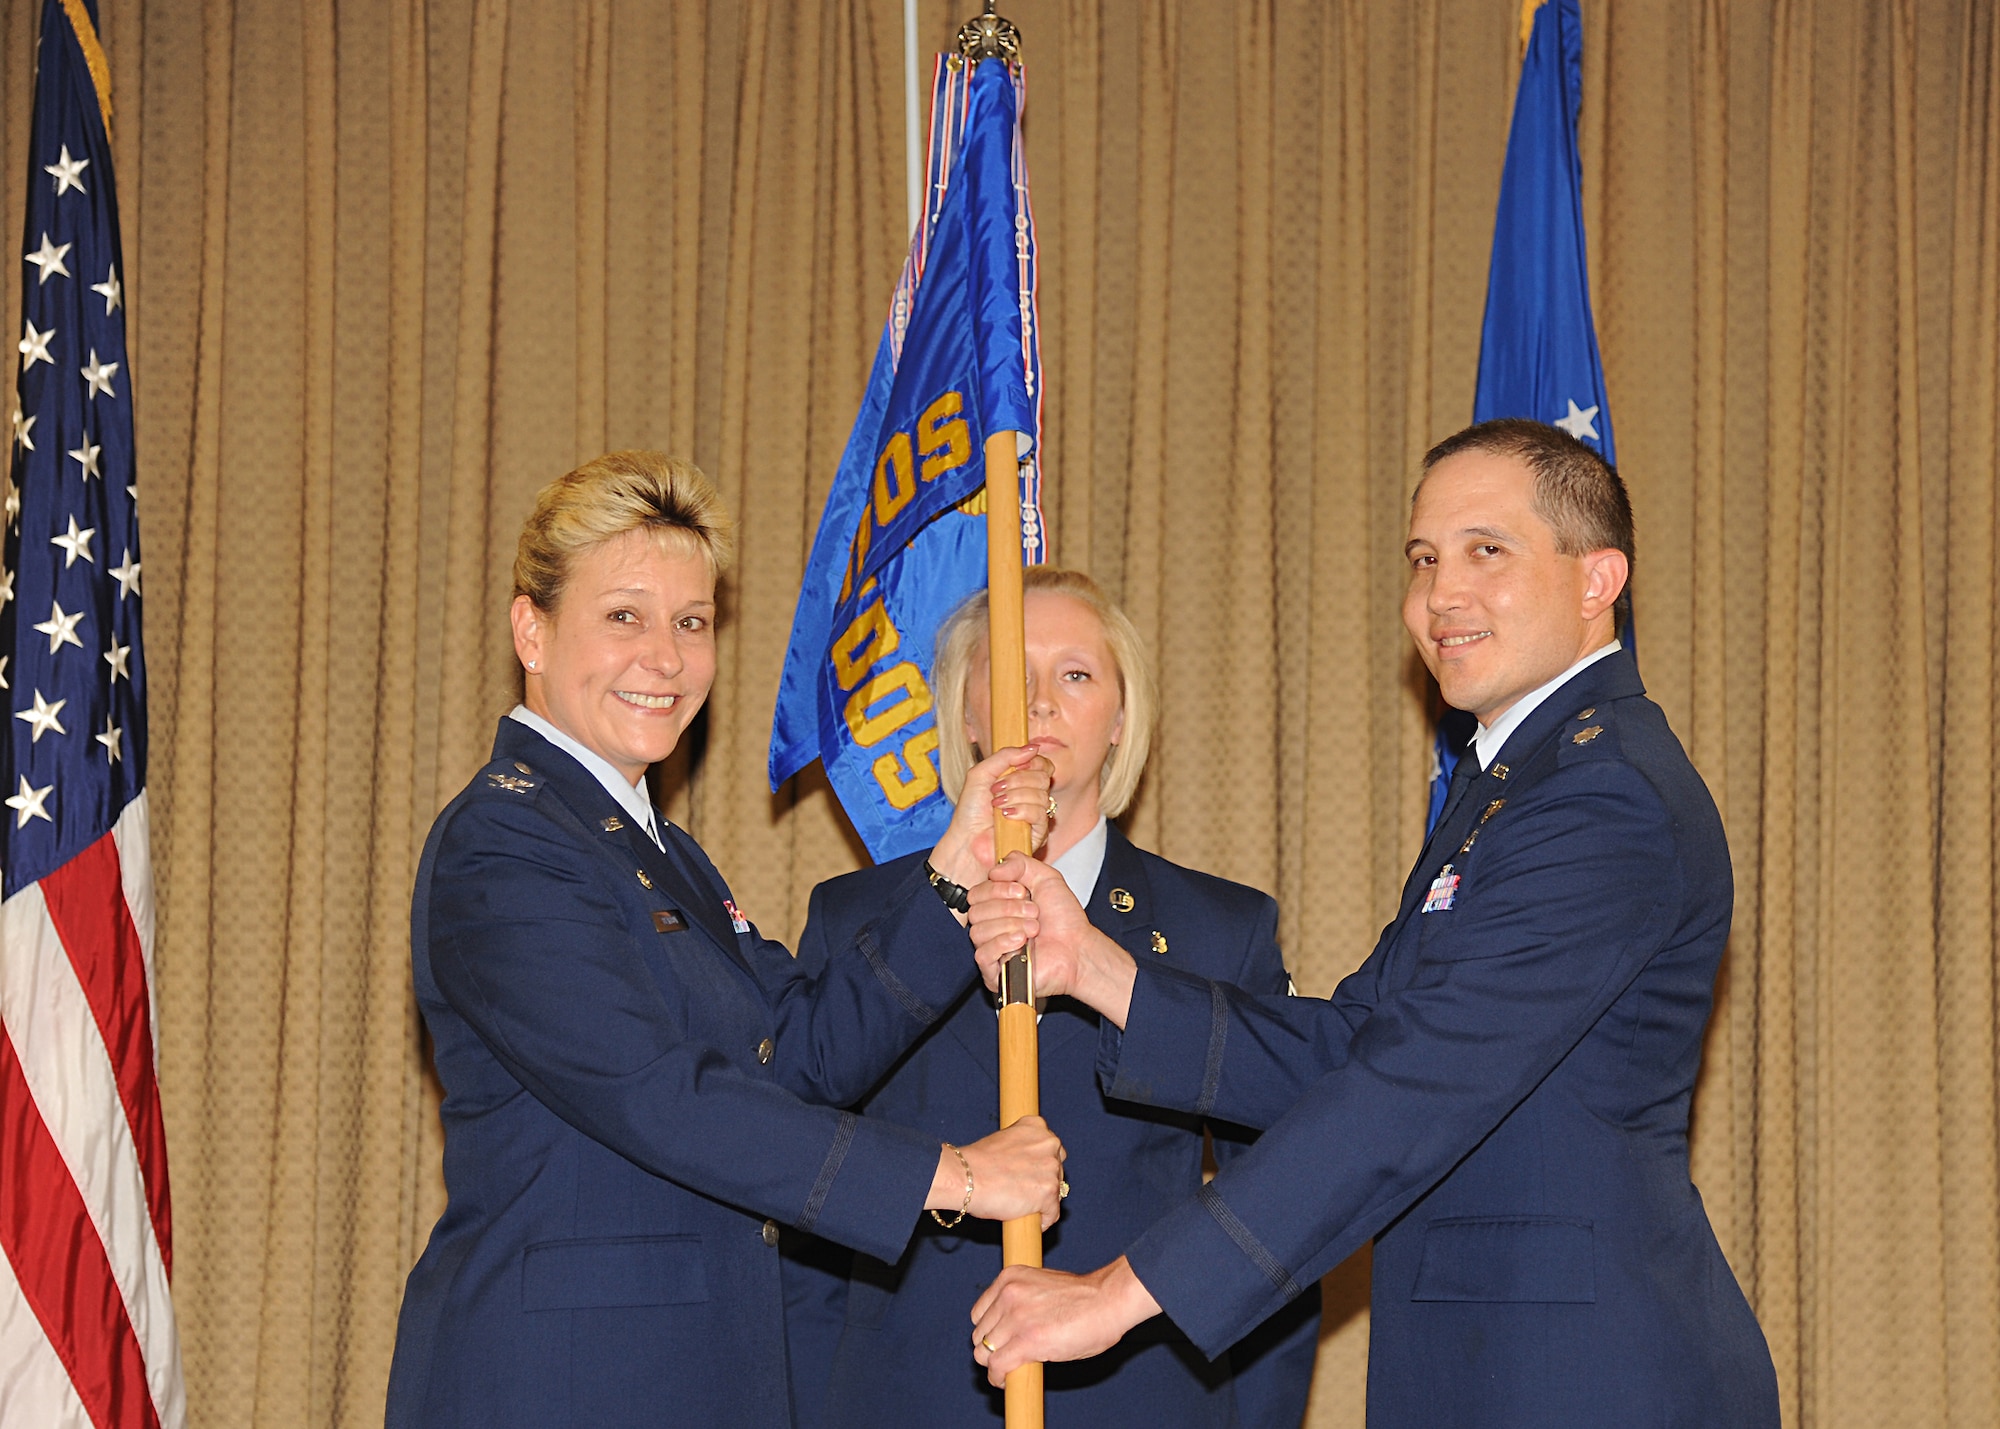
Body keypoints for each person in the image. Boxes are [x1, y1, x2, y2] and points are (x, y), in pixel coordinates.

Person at [961, 421, 1782, 1427]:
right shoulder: (1509, 791)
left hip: (1583, 1378)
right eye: (1423, 558)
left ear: (1594, 578)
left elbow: (1408, 1087)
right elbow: (1355, 1046)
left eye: (1488, 551)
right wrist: (1095, 969)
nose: (1440, 593)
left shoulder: (1600, 796)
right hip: (1486, 1369)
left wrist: (1117, 1293)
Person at [384, 451, 1068, 1429]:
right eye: (624, 615)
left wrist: (952, 872)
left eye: (690, 622)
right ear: (529, 629)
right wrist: (953, 1176)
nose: (663, 658)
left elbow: (796, 1052)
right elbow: (661, 1096)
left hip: (701, 1378)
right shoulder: (503, 842)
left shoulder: (666, 856)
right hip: (559, 1386)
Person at [781, 568, 1320, 1428]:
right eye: (1009, 671)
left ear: (1119, 717)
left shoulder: (1222, 930)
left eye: (1076, 674)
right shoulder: (857, 920)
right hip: (901, 1395)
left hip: (1143, 1397)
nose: (1038, 702)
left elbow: (1286, 1202)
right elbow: (799, 1204)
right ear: (961, 713)